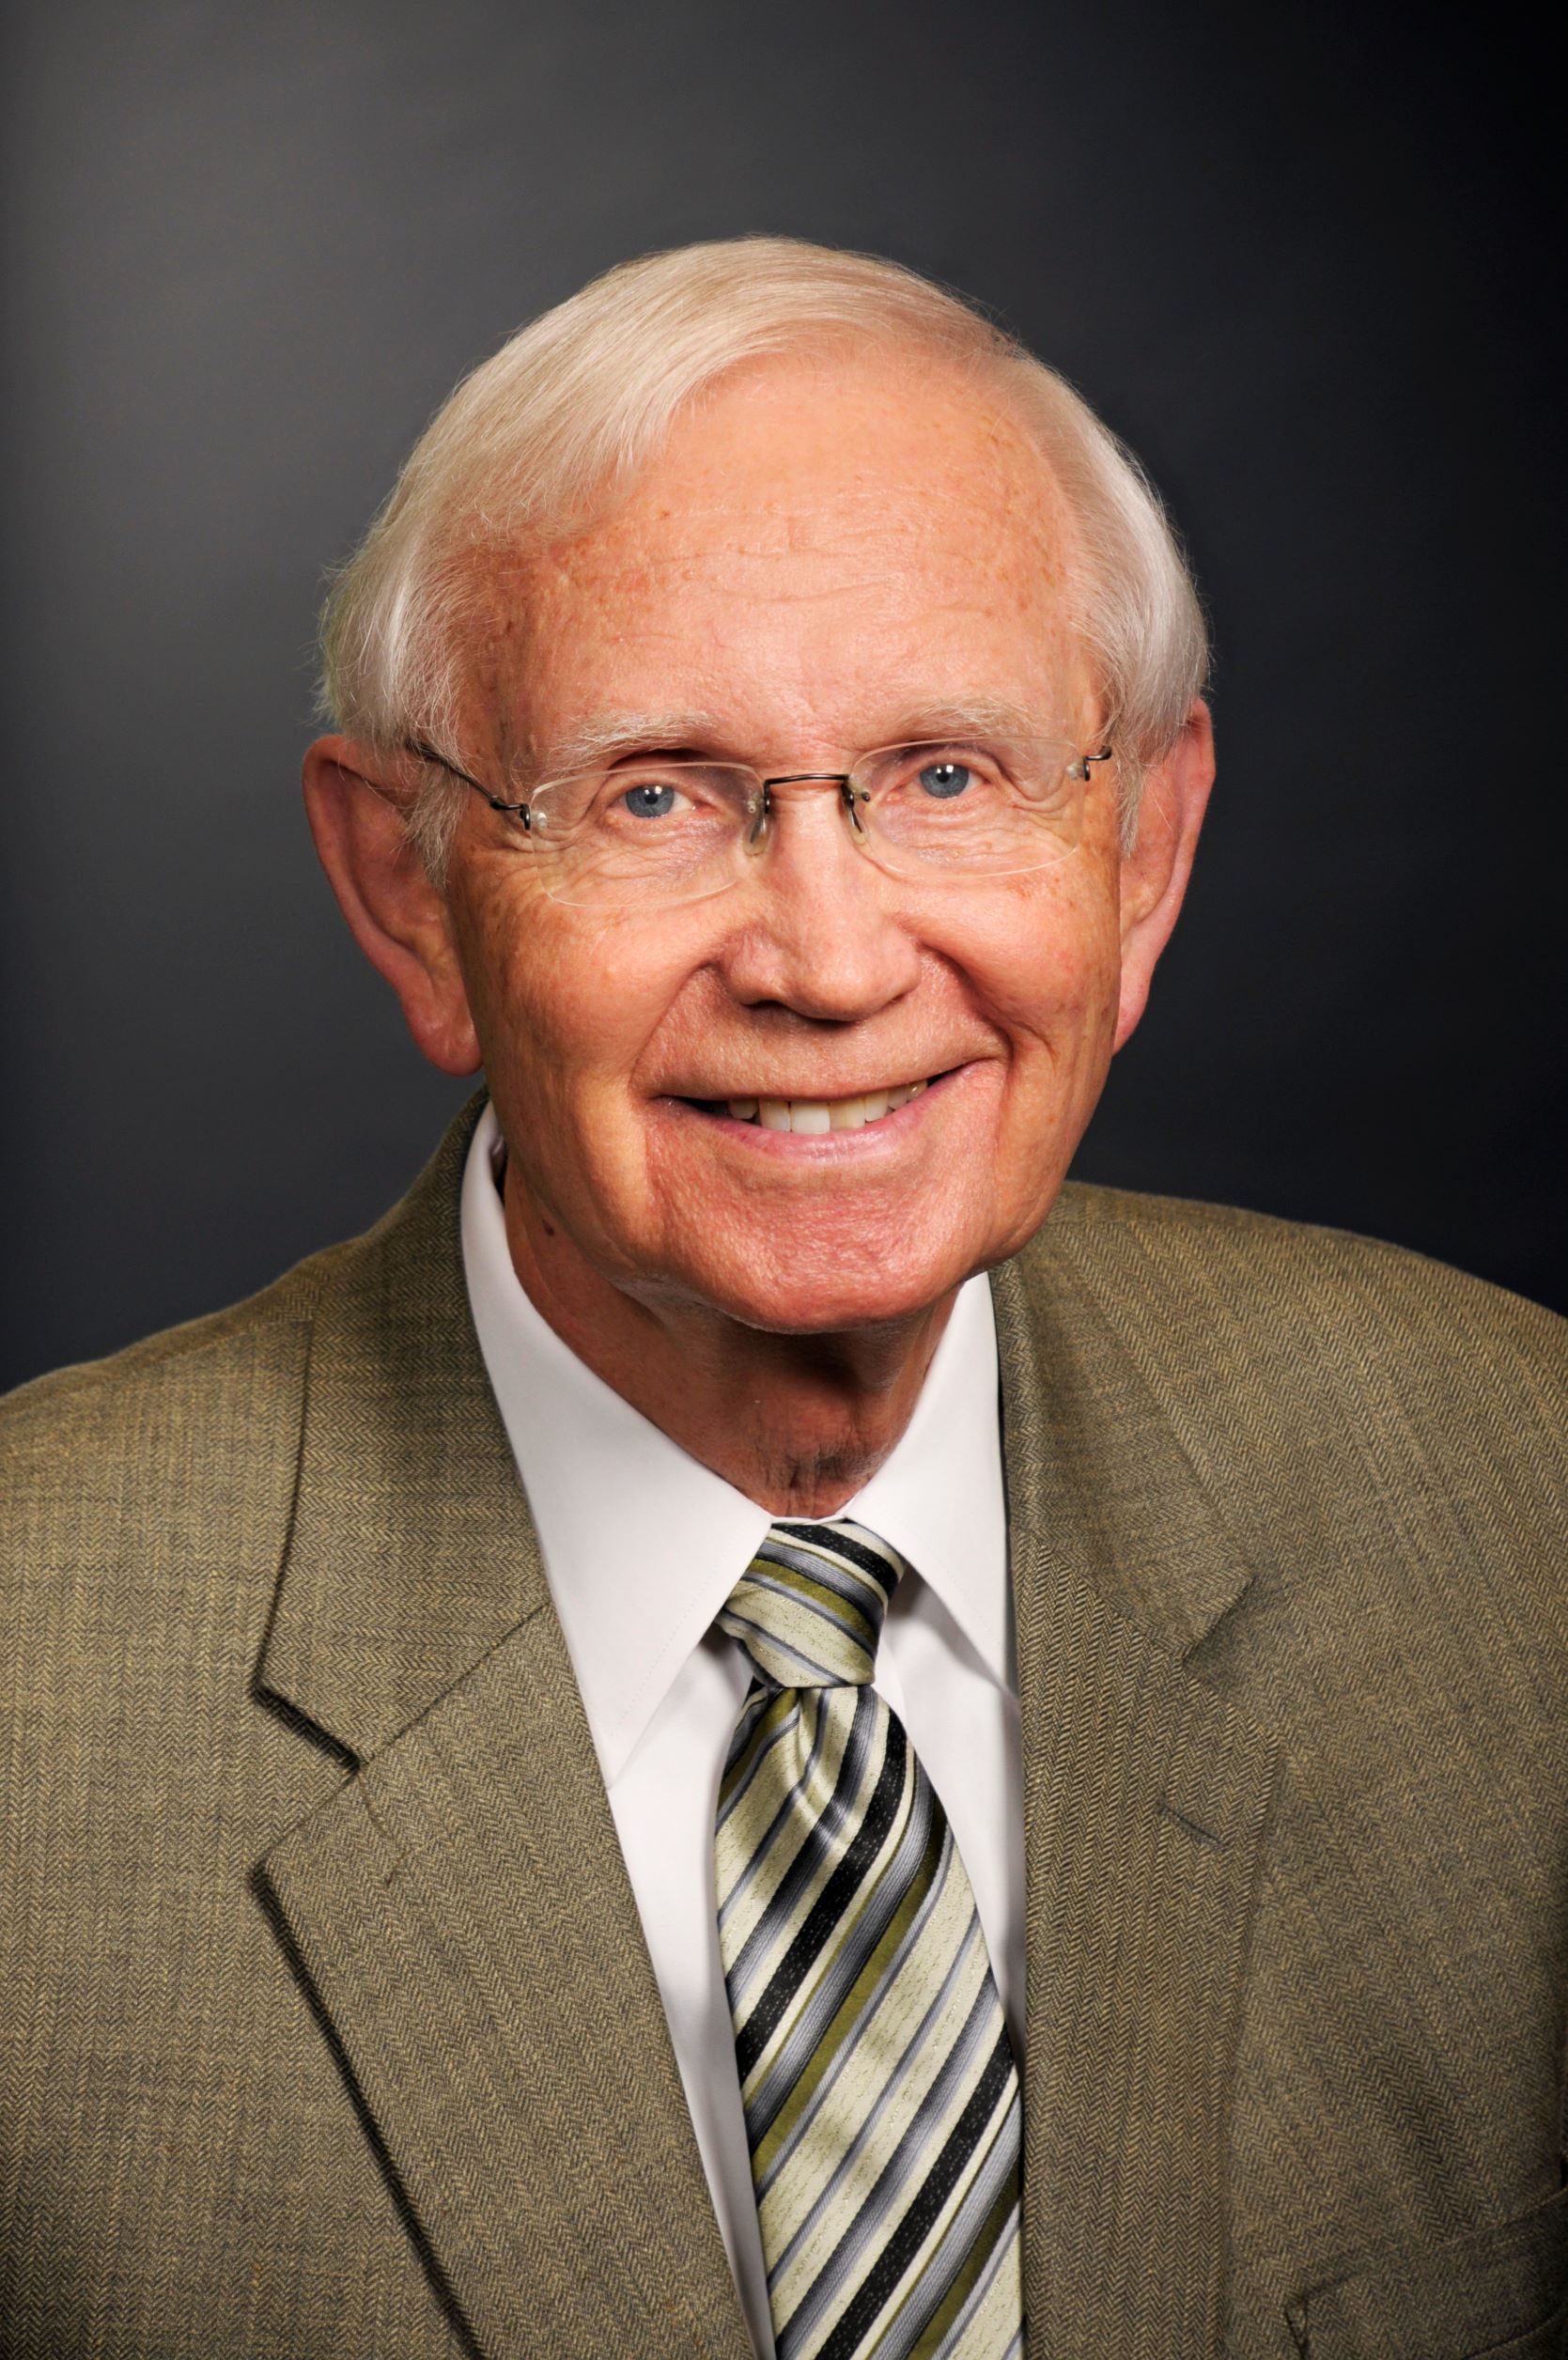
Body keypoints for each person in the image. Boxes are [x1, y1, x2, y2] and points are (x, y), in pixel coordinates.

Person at [2, 237, 1564, 2360]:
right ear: (411, 891)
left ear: (1145, 856)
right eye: (656, 793)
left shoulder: (1515, 1497)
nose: (825, 960)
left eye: (946, 774)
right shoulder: (36, 1684)